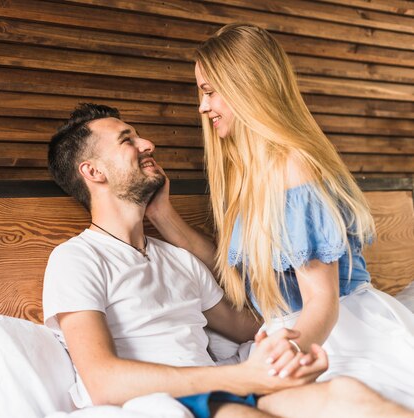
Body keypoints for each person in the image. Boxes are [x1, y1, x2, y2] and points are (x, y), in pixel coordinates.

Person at [42, 103, 413, 418]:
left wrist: (286, 352)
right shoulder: (76, 259)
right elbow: (103, 381)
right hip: (180, 399)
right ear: (93, 171)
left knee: (347, 394)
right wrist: (241, 379)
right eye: (127, 140)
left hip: (224, 390)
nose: (147, 143)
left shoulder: (178, 260)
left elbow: (250, 327)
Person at [145, 23, 414, 410]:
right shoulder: (251, 173)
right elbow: (233, 268)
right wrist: (162, 214)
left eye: (209, 92)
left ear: (246, 87)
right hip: (293, 331)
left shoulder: (294, 168)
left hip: (334, 332)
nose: (202, 107)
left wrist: (285, 352)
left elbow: (322, 300)